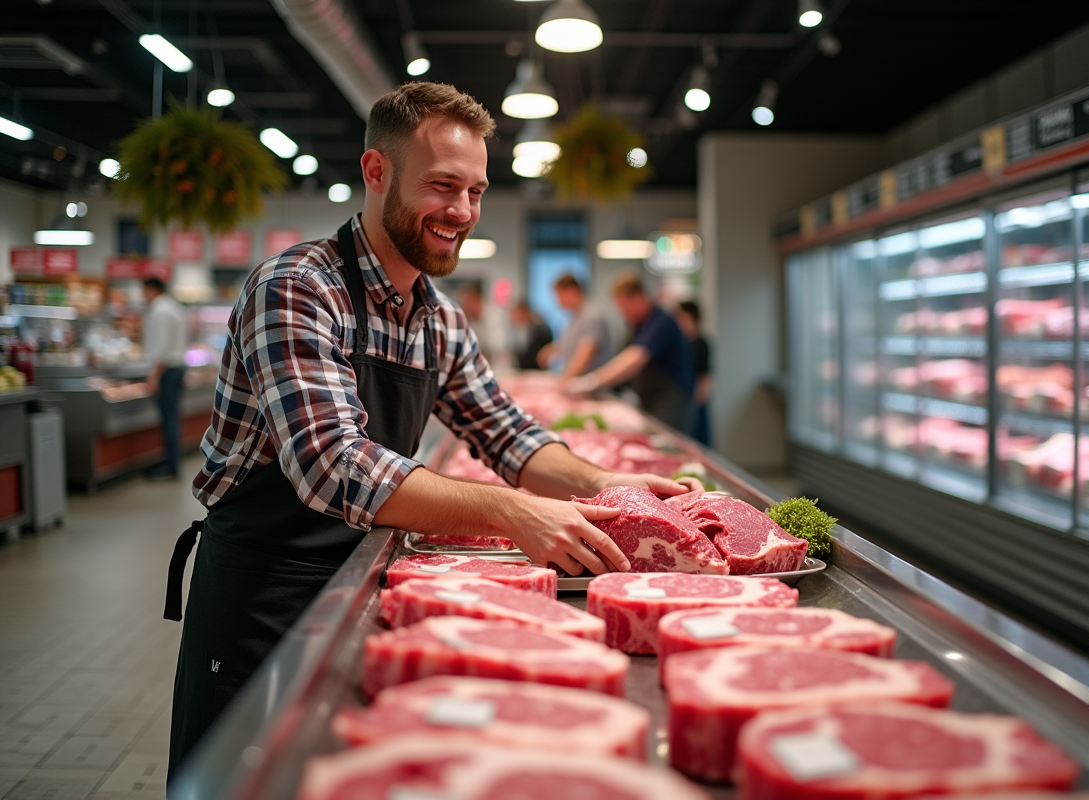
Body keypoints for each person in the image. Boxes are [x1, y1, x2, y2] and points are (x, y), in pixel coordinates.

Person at [164, 82, 700, 786]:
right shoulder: (298, 286)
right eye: (444, 186)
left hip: (353, 586)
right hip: (261, 590)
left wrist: (605, 485)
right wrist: (512, 512)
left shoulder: (437, 317)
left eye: (476, 191)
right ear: (376, 172)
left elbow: (506, 434)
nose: (464, 212)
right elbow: (333, 464)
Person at [566, 272, 695, 432]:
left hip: (671, 400)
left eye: (623, 307)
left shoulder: (661, 322)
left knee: (667, 447)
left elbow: (635, 357)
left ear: (638, 297)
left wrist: (591, 381)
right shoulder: (638, 325)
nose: (623, 313)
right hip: (650, 398)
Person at [141, 276, 188, 479]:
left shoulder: (160, 311)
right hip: (177, 368)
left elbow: (161, 346)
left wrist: (153, 375)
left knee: (168, 419)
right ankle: (172, 461)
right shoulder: (175, 307)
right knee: (173, 418)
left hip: (167, 371)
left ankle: (171, 466)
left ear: (151, 290)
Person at [538, 272, 612, 376]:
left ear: (571, 291)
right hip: (579, 384)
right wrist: (551, 349)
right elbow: (570, 344)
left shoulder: (592, 316)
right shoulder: (575, 318)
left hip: (593, 386)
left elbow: (585, 354)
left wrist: (564, 380)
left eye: (559, 296)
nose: (558, 302)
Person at [676, 301, 712, 446]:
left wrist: (697, 400)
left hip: (695, 400)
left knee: (698, 442)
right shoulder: (682, 343)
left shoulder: (700, 343)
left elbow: (705, 376)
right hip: (685, 398)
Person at [509, 298, 554, 370]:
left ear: (525, 313)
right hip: (523, 371)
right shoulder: (517, 330)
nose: (514, 318)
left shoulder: (542, 330)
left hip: (538, 370)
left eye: (516, 314)